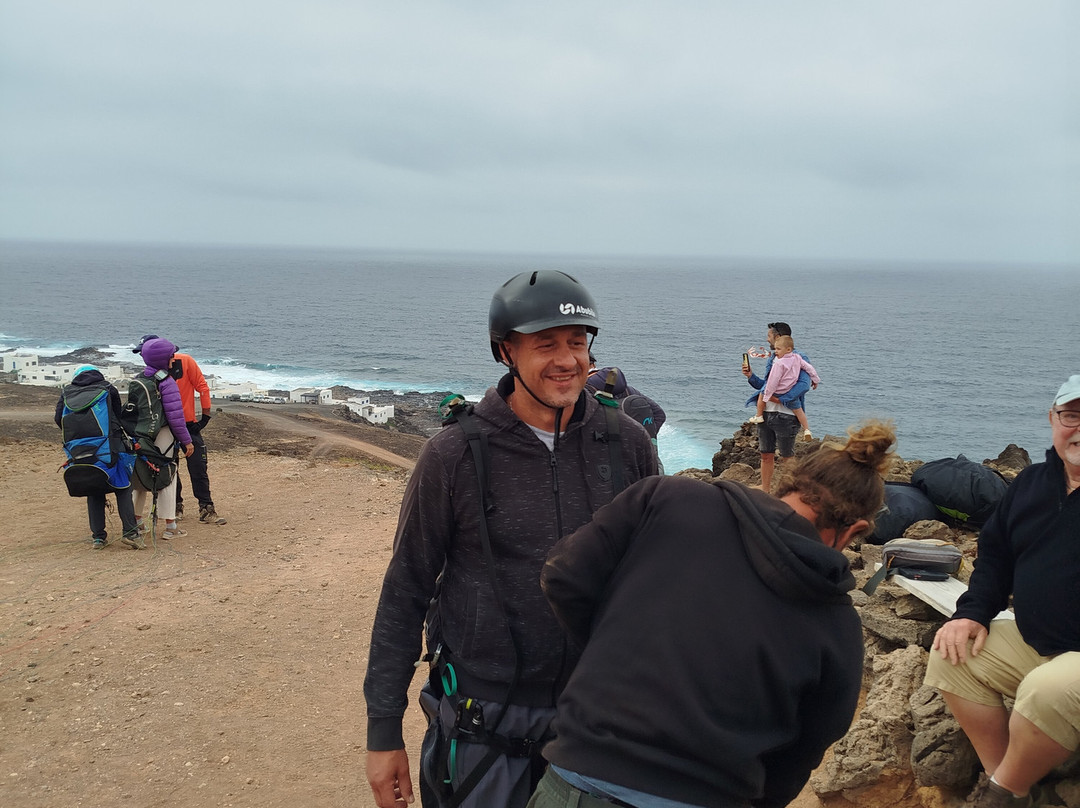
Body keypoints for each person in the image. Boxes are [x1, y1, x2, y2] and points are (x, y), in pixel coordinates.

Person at [364, 270, 659, 808]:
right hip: (482, 724)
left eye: (577, 343)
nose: (568, 360)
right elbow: (405, 590)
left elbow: (657, 582)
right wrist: (383, 732)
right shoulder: (453, 455)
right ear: (505, 352)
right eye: (545, 344)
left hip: (599, 722)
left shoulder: (627, 444)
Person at [532, 420, 896, 808]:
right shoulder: (838, 626)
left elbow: (563, 576)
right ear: (855, 528)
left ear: (788, 482)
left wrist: (610, 652)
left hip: (578, 777)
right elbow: (803, 752)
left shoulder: (665, 499)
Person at [924, 375, 1080, 808]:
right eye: (1072, 415)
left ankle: (1002, 795)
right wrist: (970, 613)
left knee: (1047, 690)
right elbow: (995, 558)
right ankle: (1006, 779)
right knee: (951, 653)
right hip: (1040, 641)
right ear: (1053, 419)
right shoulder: (1032, 483)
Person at [132, 335, 224, 525]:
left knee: (184, 467)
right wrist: (205, 415)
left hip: (177, 426)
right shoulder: (157, 372)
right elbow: (203, 388)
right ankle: (180, 508)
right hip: (176, 426)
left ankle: (199, 507)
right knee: (175, 469)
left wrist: (205, 417)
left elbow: (202, 388)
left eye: (143, 351)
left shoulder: (172, 366)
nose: (141, 355)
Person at [54, 365, 142, 550]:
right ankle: (130, 533)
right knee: (123, 487)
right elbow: (117, 416)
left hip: (78, 450)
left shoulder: (67, 392)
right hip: (108, 448)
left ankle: (98, 538)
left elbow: (58, 419)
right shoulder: (108, 388)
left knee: (94, 489)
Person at [131, 338, 194, 540]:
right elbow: (176, 417)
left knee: (139, 477)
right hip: (163, 435)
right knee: (167, 476)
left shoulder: (139, 379)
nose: (172, 359)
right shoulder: (166, 382)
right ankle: (170, 527)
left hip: (140, 434)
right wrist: (187, 441)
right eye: (170, 356)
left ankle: (136, 523)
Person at [743, 321, 814, 493]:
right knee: (766, 454)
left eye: (769, 336)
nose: (768, 340)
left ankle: (795, 492)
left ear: (778, 337)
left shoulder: (799, 357)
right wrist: (751, 376)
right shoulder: (774, 358)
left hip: (787, 415)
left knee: (787, 457)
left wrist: (781, 400)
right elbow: (766, 386)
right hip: (766, 413)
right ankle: (765, 488)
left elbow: (804, 384)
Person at [747, 335, 820, 440]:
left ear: (788, 349)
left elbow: (773, 381)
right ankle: (807, 429)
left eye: (778, 349)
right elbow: (809, 369)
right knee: (799, 411)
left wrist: (767, 395)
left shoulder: (779, 363)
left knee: (761, 394)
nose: (775, 351)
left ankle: (758, 416)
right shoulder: (797, 358)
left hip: (778, 390)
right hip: (789, 390)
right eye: (776, 349)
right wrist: (815, 380)